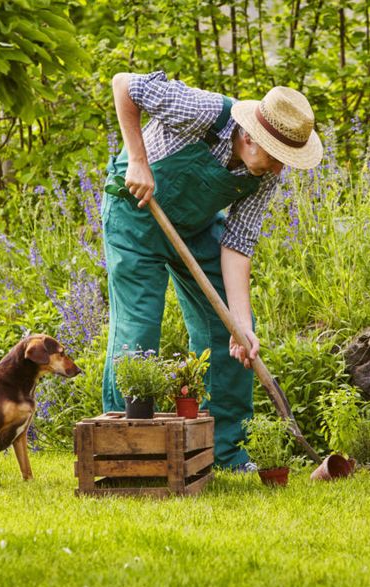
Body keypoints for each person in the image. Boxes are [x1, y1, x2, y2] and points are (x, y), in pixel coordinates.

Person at [101, 71, 322, 468]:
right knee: (139, 332)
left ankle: (222, 450)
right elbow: (123, 84)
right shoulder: (204, 112)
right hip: (135, 213)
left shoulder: (264, 175)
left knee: (234, 332)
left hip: (194, 226)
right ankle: (126, 447)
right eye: (275, 157)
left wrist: (240, 323)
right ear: (251, 137)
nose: (277, 171)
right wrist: (137, 160)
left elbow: (238, 243)